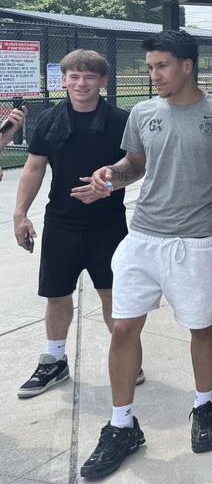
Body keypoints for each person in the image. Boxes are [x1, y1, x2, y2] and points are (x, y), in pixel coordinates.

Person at [76, 31, 212, 480]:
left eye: (162, 65)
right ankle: (121, 425)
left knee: (201, 327)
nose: (154, 75)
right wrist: (110, 176)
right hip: (143, 238)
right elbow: (135, 165)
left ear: (187, 65)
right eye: (150, 67)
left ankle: (204, 406)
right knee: (123, 327)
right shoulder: (143, 113)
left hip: (197, 242)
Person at [13, 51, 134, 400]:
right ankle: (54, 360)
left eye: (90, 77)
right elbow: (34, 168)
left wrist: (109, 184)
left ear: (103, 81)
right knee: (56, 294)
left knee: (112, 296)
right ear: (63, 80)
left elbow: (137, 166)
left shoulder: (120, 121)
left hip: (108, 226)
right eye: (75, 77)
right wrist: (20, 213)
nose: (82, 84)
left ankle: (126, 359)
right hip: (61, 223)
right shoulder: (48, 120)